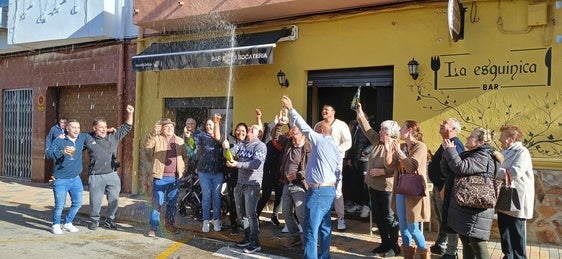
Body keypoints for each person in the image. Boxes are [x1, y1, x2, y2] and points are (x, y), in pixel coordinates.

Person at [282, 95, 342, 259]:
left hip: (318, 191)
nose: (311, 135)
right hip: (329, 190)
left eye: (315, 131)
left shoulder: (321, 140)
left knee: (310, 229)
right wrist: (336, 190)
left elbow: (304, 127)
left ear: (321, 131)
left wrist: (291, 108)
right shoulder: (335, 149)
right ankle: (324, 256)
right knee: (324, 228)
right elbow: (339, 172)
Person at [441, 127, 503, 259]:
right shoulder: (470, 154)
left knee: (477, 244)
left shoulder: (483, 157)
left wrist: (450, 150)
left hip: (476, 209)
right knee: (466, 242)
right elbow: (451, 172)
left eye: (471, 136)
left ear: (480, 142)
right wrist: (447, 153)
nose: (467, 138)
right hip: (466, 207)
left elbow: (461, 167)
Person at [354, 103, 401, 256]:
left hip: (387, 189)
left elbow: (398, 168)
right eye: (380, 129)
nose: (379, 131)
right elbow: (366, 128)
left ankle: (394, 246)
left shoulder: (396, 147)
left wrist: (382, 171)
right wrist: (360, 113)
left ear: (391, 133)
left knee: (389, 218)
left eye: (383, 130)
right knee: (379, 218)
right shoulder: (377, 141)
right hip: (373, 186)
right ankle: (384, 243)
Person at [385, 120, 430, 259]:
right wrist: (388, 150)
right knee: (403, 227)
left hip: (414, 193)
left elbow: (411, 167)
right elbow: (389, 166)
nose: (399, 131)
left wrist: (398, 151)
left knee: (413, 228)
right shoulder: (403, 146)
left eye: (402, 128)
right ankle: (408, 256)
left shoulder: (420, 146)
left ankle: (424, 254)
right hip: (400, 190)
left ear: (410, 130)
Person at [85, 105, 134, 231]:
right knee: (95, 201)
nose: (103, 130)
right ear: (94, 128)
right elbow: (75, 138)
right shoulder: (88, 138)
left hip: (112, 175)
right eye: (100, 127)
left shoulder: (114, 136)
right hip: (96, 175)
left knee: (114, 200)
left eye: (105, 127)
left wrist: (130, 113)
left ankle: (110, 220)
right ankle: (94, 220)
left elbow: (127, 127)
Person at [223, 123, 267, 254]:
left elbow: (256, 164)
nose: (250, 129)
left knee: (251, 214)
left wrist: (237, 164)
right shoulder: (242, 144)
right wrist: (226, 149)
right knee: (241, 214)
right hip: (240, 183)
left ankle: (255, 242)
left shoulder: (260, 146)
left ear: (259, 133)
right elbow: (230, 155)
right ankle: (247, 237)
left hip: (252, 185)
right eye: (250, 127)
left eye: (253, 128)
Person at [271, 110, 311, 248]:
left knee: (301, 214)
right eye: (291, 135)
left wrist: (298, 175)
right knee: (286, 212)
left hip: (300, 185)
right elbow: (275, 138)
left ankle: (308, 239)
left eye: (295, 136)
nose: (292, 138)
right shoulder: (289, 143)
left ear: (303, 135)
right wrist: (280, 125)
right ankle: (295, 237)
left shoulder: (308, 147)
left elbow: (311, 169)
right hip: (287, 184)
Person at [143, 118, 188, 237]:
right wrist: (152, 133)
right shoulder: (157, 138)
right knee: (157, 202)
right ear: (162, 129)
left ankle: (169, 224)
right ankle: (153, 227)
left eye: (171, 127)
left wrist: (184, 169)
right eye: (167, 127)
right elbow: (147, 146)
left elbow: (185, 156)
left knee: (172, 204)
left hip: (175, 178)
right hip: (160, 177)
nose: (170, 129)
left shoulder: (179, 140)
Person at [428, 118, 464, 258]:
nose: (440, 124)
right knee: (442, 218)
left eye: (444, 123)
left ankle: (451, 252)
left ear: (453, 129)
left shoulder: (456, 145)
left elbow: (457, 169)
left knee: (449, 220)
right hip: (440, 186)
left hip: (446, 188)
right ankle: (441, 244)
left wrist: (446, 187)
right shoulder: (446, 143)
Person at [496, 125, 534, 259]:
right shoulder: (504, 151)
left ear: (512, 138)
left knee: (517, 234)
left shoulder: (522, 152)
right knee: (504, 232)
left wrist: (495, 171)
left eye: (503, 135)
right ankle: (508, 256)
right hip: (504, 198)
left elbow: (515, 172)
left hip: (516, 199)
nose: (500, 138)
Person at [45, 119, 87, 234]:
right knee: (60, 205)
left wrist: (107, 130)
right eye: (73, 128)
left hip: (76, 178)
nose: (76, 130)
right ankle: (56, 224)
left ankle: (68, 223)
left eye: (78, 128)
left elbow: (95, 133)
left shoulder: (81, 138)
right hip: (61, 179)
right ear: (67, 129)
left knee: (77, 203)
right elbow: (48, 154)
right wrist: (62, 152)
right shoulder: (60, 140)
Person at [314, 104, 351, 231]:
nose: (323, 111)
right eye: (323, 109)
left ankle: (341, 218)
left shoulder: (341, 125)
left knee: (336, 189)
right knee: (321, 188)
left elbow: (348, 142)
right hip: (321, 162)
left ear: (333, 112)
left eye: (327, 109)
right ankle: (324, 217)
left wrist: (336, 149)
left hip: (335, 161)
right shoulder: (318, 125)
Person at [194, 117, 223, 233]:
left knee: (216, 197)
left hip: (218, 172)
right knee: (206, 196)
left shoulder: (221, 137)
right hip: (204, 172)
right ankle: (205, 220)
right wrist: (187, 137)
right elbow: (192, 145)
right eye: (207, 125)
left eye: (211, 124)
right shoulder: (201, 136)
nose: (208, 127)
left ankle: (216, 219)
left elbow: (219, 140)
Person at [345, 118, 371, 218]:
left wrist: (366, 151)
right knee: (357, 183)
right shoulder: (356, 128)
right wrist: (350, 158)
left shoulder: (369, 128)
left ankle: (366, 206)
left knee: (365, 184)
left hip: (365, 160)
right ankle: (358, 204)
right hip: (356, 160)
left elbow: (374, 142)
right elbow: (353, 144)